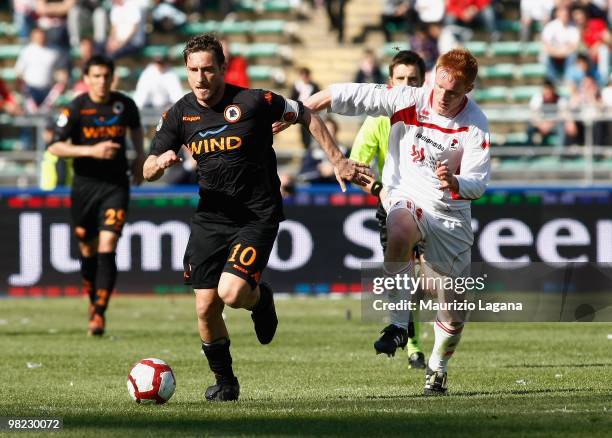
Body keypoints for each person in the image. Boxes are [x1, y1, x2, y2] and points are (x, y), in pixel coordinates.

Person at [142, 33, 372, 402]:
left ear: (222, 68)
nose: (201, 78)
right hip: (211, 218)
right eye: (193, 71)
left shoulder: (252, 101)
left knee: (231, 293)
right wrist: (160, 164)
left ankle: (260, 298)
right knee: (205, 307)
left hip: (256, 215)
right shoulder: (178, 114)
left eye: (208, 70)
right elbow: (147, 169)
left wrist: (337, 159)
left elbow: (305, 113)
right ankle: (226, 382)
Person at [304, 48, 491, 395]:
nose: (443, 96)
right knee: (399, 227)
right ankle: (397, 323)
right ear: (435, 76)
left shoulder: (474, 124)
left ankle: (437, 367)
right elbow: (351, 94)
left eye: (454, 92)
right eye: (440, 86)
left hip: (449, 212)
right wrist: (303, 106)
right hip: (406, 195)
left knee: (453, 308)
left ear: (469, 90)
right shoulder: (410, 98)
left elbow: (479, 181)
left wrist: (457, 183)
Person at [47, 55, 145, 336]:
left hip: (115, 185)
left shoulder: (125, 104)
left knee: (108, 243)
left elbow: (136, 129)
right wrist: (91, 150)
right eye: (96, 76)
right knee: (87, 250)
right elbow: (55, 146)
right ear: (87, 78)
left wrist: (139, 157)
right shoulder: (76, 108)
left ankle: (99, 313)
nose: (102, 81)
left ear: (112, 77)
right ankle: (94, 302)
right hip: (84, 186)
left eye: (106, 76)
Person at [350, 50, 428, 369]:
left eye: (414, 80)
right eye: (401, 79)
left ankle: (418, 339)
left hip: (434, 206)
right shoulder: (378, 120)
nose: (407, 86)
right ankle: (413, 344)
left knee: (434, 281)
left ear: (424, 84)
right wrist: (380, 191)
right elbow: (356, 167)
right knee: (404, 276)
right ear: (389, 83)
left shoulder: (440, 117)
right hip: (395, 207)